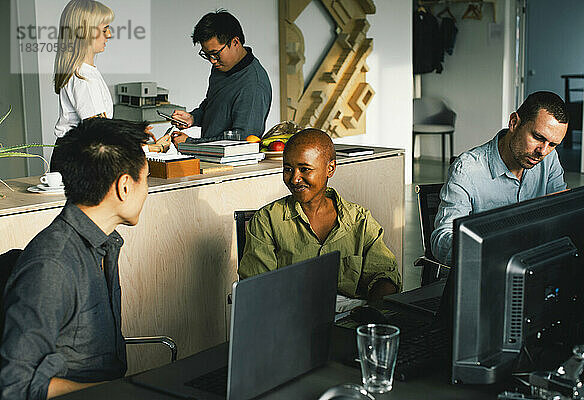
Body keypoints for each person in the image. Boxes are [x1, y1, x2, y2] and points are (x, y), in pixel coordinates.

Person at [0, 119, 150, 399]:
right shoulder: (52, 266)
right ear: (125, 186)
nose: (147, 190)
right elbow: (15, 387)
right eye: (146, 179)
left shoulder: (105, 244)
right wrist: (121, 392)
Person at [238, 129, 400, 300]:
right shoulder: (267, 221)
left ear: (330, 169)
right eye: (288, 169)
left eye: (305, 169)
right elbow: (257, 289)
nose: (294, 179)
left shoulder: (360, 220)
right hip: (290, 320)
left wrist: (372, 312)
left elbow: (385, 275)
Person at [431, 91, 569, 265]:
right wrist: (487, 250)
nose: (543, 151)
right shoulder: (467, 169)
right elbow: (441, 240)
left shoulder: (549, 158)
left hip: (532, 268)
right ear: (514, 122)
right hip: (484, 274)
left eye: (553, 144)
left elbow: (561, 216)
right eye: (538, 137)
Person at [170, 10, 272, 143]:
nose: (212, 61)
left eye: (215, 54)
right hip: (209, 157)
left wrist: (190, 143)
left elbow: (243, 139)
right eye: (206, 55)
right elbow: (213, 105)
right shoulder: (221, 67)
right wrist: (193, 118)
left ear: (235, 42)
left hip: (233, 163)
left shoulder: (253, 85)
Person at [53, 0, 115, 138]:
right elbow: (98, 133)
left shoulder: (85, 72)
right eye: (104, 29)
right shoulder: (83, 77)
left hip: (73, 153)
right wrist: (147, 146)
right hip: (77, 156)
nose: (109, 34)